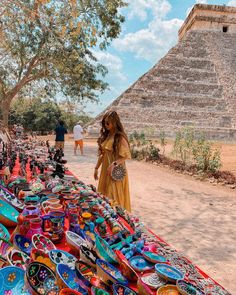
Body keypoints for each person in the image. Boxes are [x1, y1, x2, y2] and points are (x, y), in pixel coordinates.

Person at [94, 110, 131, 211]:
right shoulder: (107, 135)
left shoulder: (120, 137)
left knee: (114, 197)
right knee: (105, 196)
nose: (105, 125)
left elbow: (126, 155)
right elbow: (103, 155)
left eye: (107, 123)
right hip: (106, 171)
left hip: (116, 172)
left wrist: (114, 164)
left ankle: (117, 222)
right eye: (104, 123)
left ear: (114, 122)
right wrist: (96, 168)